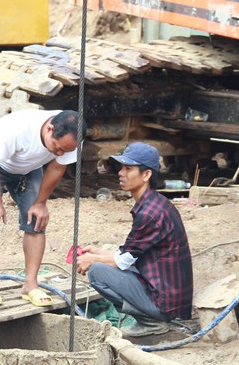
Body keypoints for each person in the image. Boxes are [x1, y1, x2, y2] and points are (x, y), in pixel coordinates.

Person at [76, 142, 193, 337]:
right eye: (121, 168)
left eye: (128, 168)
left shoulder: (149, 213)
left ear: (146, 175)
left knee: (97, 272)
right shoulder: (155, 204)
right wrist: (99, 252)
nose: (121, 173)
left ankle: (151, 322)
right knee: (102, 263)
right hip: (168, 293)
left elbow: (123, 260)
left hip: (164, 302)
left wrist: (93, 260)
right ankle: (151, 318)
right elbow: (132, 251)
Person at [0, 110, 83, 306]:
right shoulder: (18, 130)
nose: (59, 154)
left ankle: (30, 284)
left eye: (65, 151)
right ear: (49, 129)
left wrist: (41, 203)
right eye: (57, 147)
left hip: (28, 168)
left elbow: (57, 167)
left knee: (37, 221)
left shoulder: (73, 137)